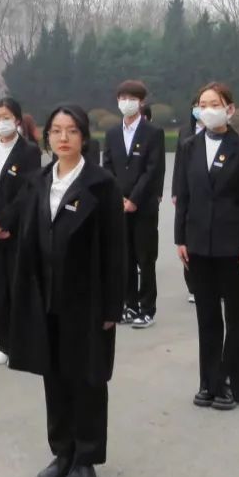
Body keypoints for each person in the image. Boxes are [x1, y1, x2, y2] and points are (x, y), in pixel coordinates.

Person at [9, 103, 124, 477]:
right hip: (46, 296)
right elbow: (28, 240)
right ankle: (62, 451)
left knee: (86, 378)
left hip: (87, 299)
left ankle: (85, 458)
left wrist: (112, 306)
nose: (63, 137)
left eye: (71, 130)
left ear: (83, 137)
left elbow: (116, 249)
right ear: (46, 137)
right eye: (56, 130)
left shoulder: (101, 184)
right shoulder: (39, 181)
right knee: (54, 376)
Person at [175, 83, 239, 409]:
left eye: (215, 104)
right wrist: (180, 238)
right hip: (198, 244)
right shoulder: (189, 146)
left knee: (234, 316)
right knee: (207, 316)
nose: (207, 109)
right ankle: (208, 381)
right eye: (203, 104)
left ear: (229, 109)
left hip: (233, 245)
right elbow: (183, 196)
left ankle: (231, 382)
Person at [0, 97, 42, 365]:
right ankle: (3, 343)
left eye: (6, 117)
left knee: (18, 287)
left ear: (16, 120)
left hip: (17, 230)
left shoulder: (29, 152)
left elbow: (29, 191)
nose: (0, 122)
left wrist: (5, 221)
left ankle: (22, 343)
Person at [103, 80, 165, 328]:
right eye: (122, 98)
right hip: (119, 207)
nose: (126, 103)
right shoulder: (112, 134)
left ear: (141, 102)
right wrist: (118, 198)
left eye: (132, 98)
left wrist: (134, 199)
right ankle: (129, 304)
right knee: (125, 258)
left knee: (145, 258)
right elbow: (108, 167)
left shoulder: (153, 133)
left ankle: (147, 308)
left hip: (143, 206)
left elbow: (152, 170)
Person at [172, 97, 204, 303]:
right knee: (189, 241)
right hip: (188, 192)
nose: (200, 110)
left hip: (209, 191)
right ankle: (193, 287)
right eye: (197, 106)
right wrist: (176, 191)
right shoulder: (185, 132)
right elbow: (178, 164)